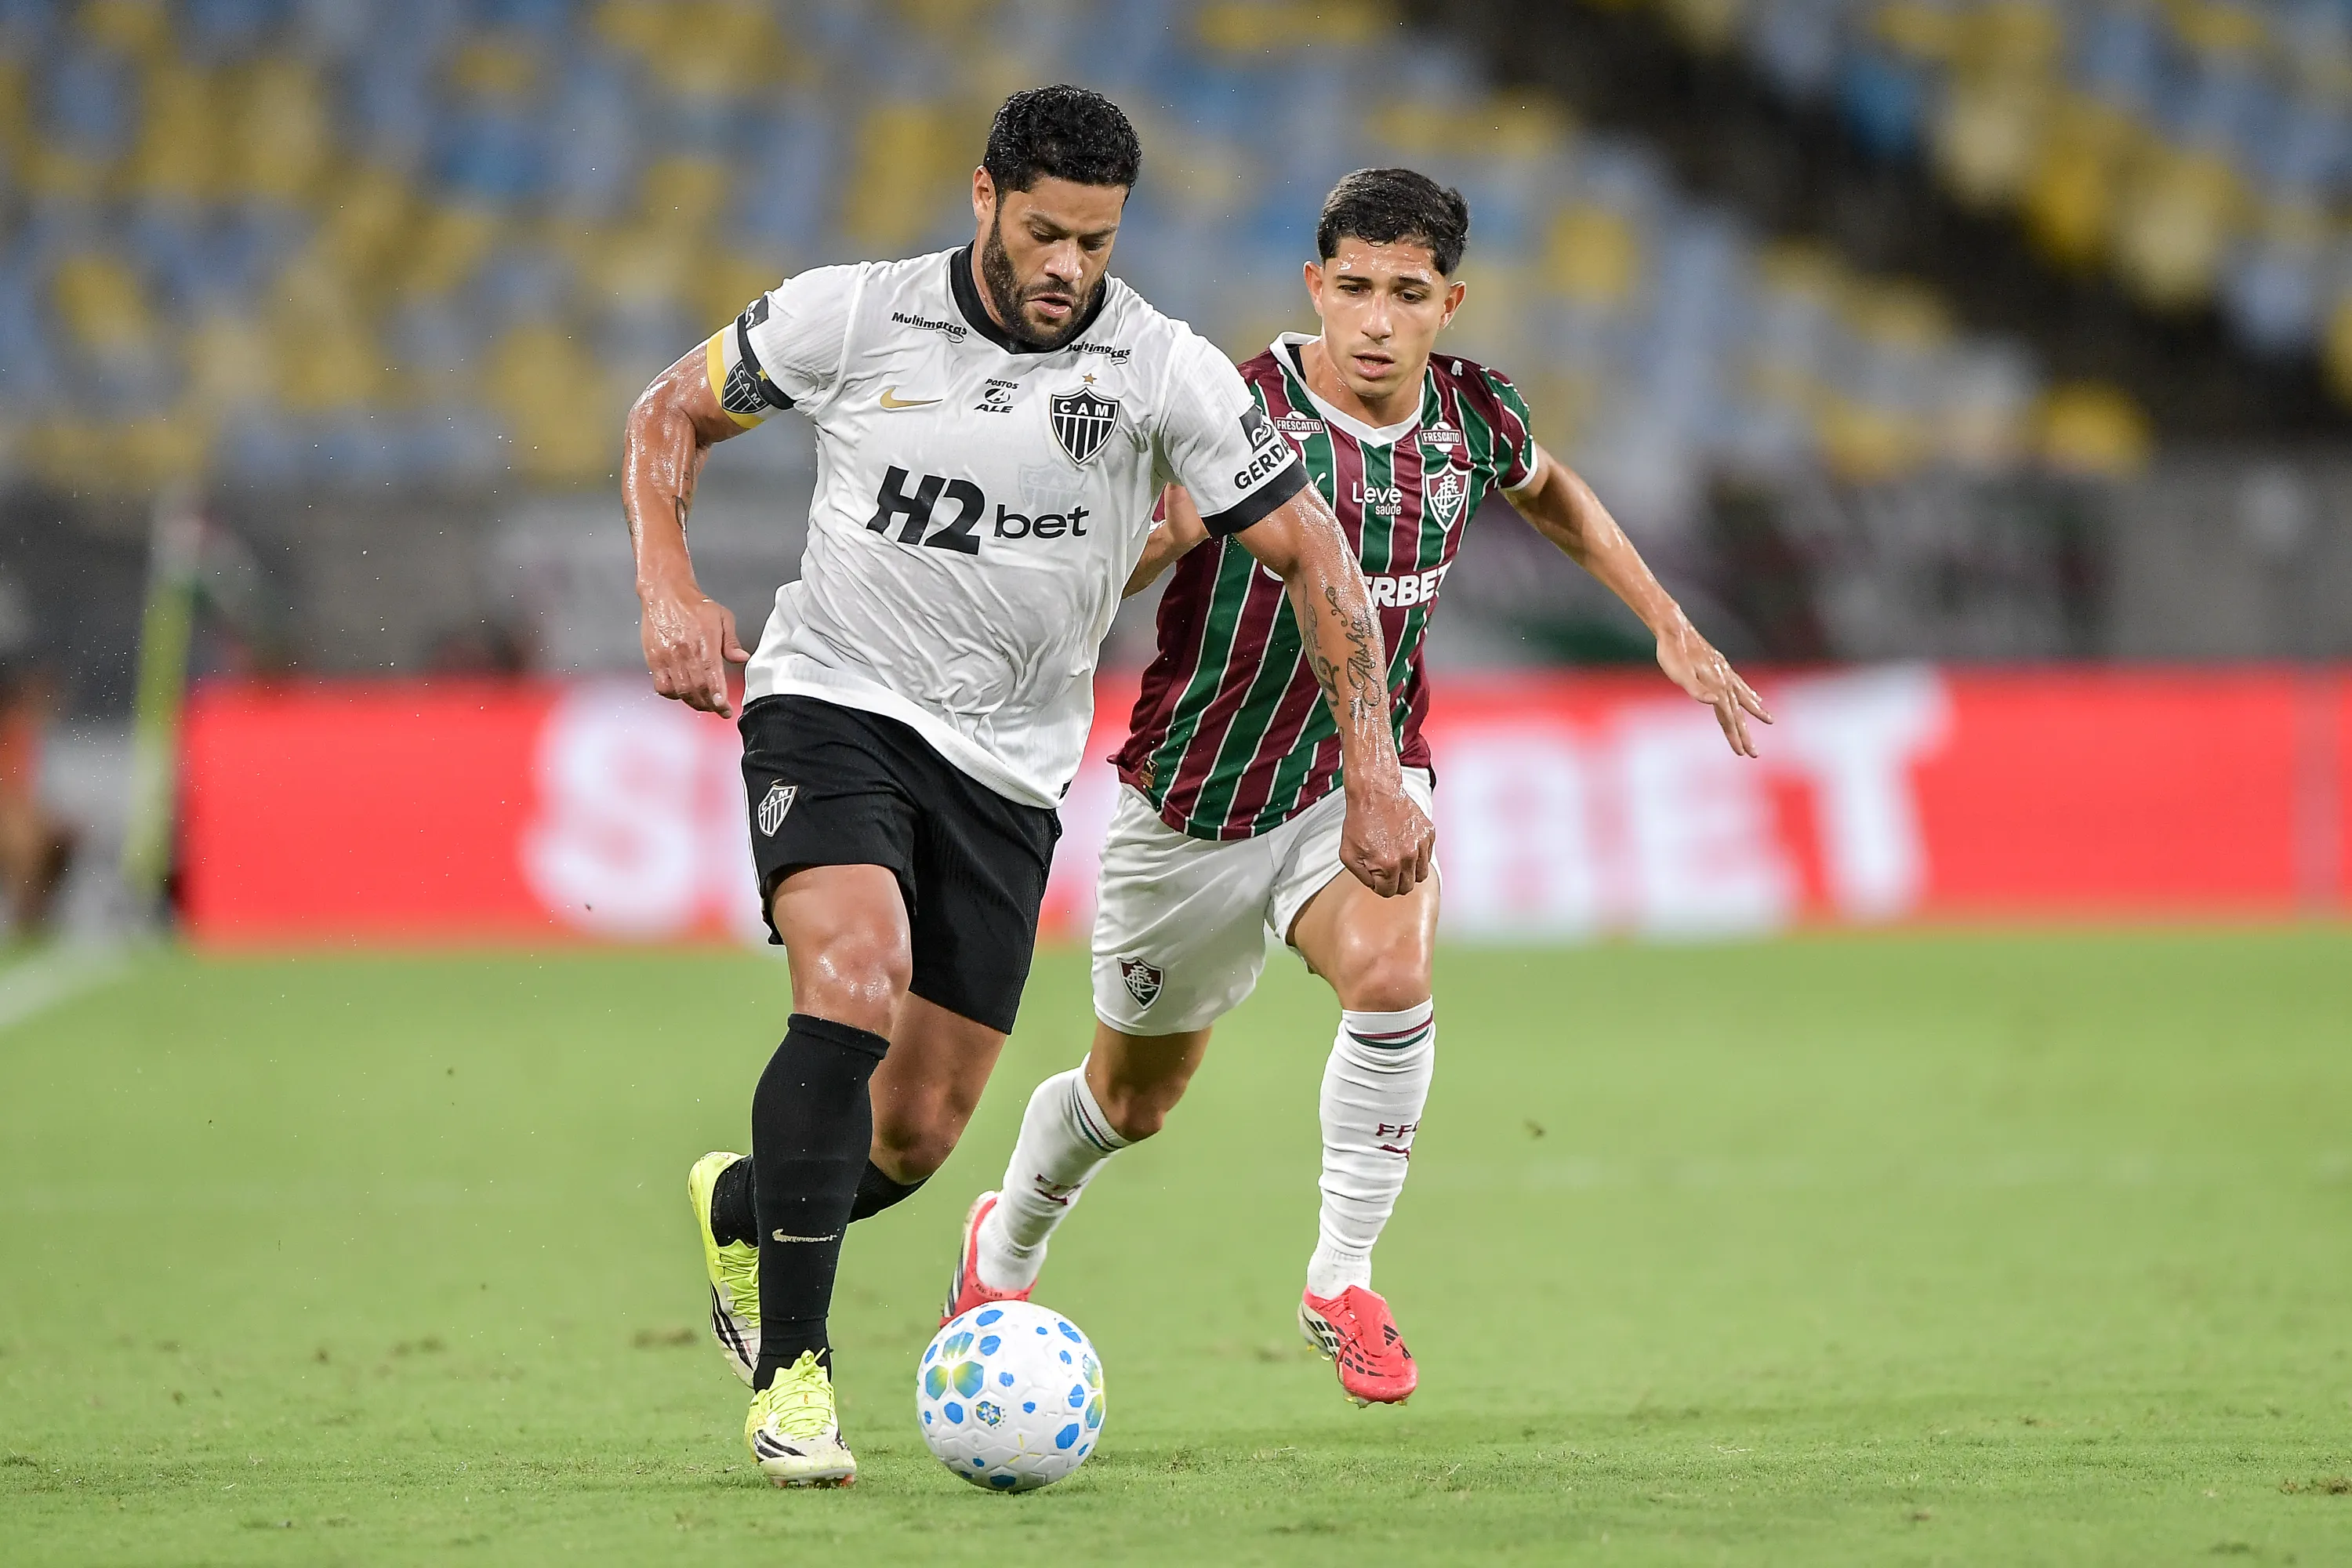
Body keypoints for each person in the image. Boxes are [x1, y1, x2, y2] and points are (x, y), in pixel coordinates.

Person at [620, 89, 1432, 1487]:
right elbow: (666, 416)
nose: (1068, 267)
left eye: (1096, 243)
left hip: (1009, 770)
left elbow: (1316, 557)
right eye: (1046, 231)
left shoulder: (1164, 370)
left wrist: (1374, 774)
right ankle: (796, 1380)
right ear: (984, 197)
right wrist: (669, 587)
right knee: (854, 977)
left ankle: (746, 1208)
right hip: (835, 703)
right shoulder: (852, 316)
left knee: (924, 1133)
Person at [939, 168, 1771, 1406]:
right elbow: (1141, 537)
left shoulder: (1473, 415)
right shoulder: (1235, 409)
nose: (1379, 320)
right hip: (1198, 798)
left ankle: (1341, 1278)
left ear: (1451, 303)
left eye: (1410, 294)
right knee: (1132, 1099)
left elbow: (1552, 493)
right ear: (1315, 289)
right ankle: (1004, 1241)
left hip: (1362, 781)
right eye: (1358, 290)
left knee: (1393, 972)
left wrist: (1666, 621)